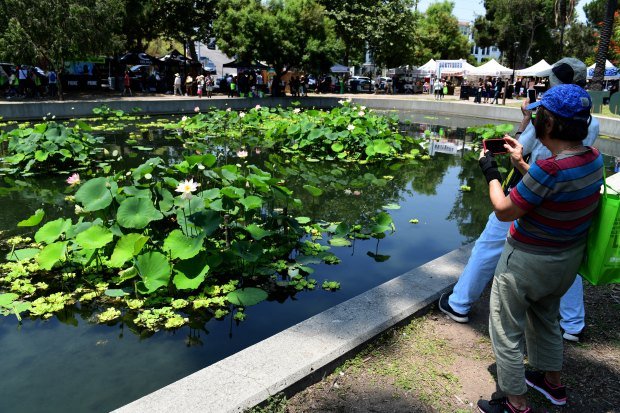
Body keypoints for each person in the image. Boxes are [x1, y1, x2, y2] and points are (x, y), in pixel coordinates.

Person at [439, 58, 598, 344]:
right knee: (567, 259)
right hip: (563, 202)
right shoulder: (591, 127)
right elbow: (557, 170)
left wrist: (492, 171)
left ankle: (459, 303)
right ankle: (574, 324)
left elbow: (506, 205)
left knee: (487, 247)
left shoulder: (548, 123)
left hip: (529, 193)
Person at [475, 83, 603, 413]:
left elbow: (504, 209)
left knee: (504, 327)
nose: (534, 120)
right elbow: (552, 191)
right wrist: (519, 162)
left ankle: (516, 403)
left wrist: (490, 171)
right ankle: (552, 383)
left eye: (538, 116)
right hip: (564, 262)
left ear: (547, 124)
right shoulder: (592, 158)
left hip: (528, 263)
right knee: (546, 318)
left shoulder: (550, 169)